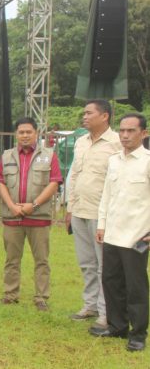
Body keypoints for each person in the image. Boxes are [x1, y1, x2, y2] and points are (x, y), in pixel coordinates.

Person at [91, 113, 150, 352]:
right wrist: (102, 224)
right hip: (113, 233)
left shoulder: (147, 161)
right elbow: (107, 195)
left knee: (135, 286)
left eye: (131, 131)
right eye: (122, 131)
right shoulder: (115, 160)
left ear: (143, 133)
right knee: (111, 281)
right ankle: (117, 326)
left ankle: (138, 334)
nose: (125, 135)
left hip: (137, 235)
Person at [0, 117, 62, 311]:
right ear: (16, 134)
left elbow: (54, 182)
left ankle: (41, 297)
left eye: (28, 132)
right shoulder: (6, 156)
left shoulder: (49, 155)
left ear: (36, 133)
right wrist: (12, 206)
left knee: (41, 260)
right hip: (12, 216)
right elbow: (0, 182)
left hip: (38, 216)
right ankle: (10, 295)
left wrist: (33, 204)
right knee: (11, 259)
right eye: (21, 132)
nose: (25, 135)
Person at [65, 100, 120, 328]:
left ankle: (106, 312)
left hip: (102, 213)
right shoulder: (80, 142)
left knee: (104, 264)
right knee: (86, 262)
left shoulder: (117, 142)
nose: (84, 117)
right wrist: (69, 208)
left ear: (104, 116)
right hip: (79, 211)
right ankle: (90, 305)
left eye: (89, 113)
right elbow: (74, 175)